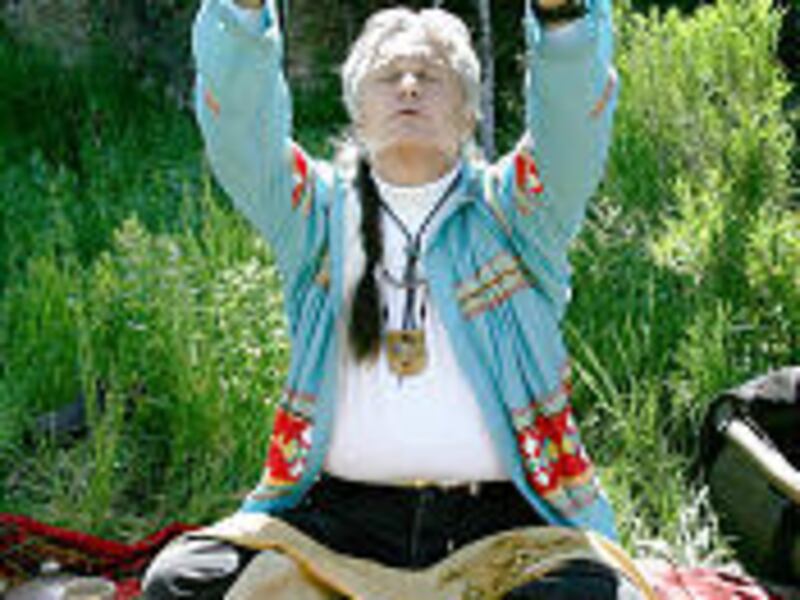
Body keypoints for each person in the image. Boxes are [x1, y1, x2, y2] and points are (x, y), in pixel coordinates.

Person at [143, 0, 643, 597]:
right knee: (182, 582)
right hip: (335, 525)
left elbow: (571, 128)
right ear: (358, 112)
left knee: (586, 596)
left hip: (506, 529)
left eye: (431, 76)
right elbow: (241, 132)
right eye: (387, 75)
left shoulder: (517, 214)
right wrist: (243, 13)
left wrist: (562, 19)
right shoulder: (314, 214)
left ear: (467, 115)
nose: (408, 86)